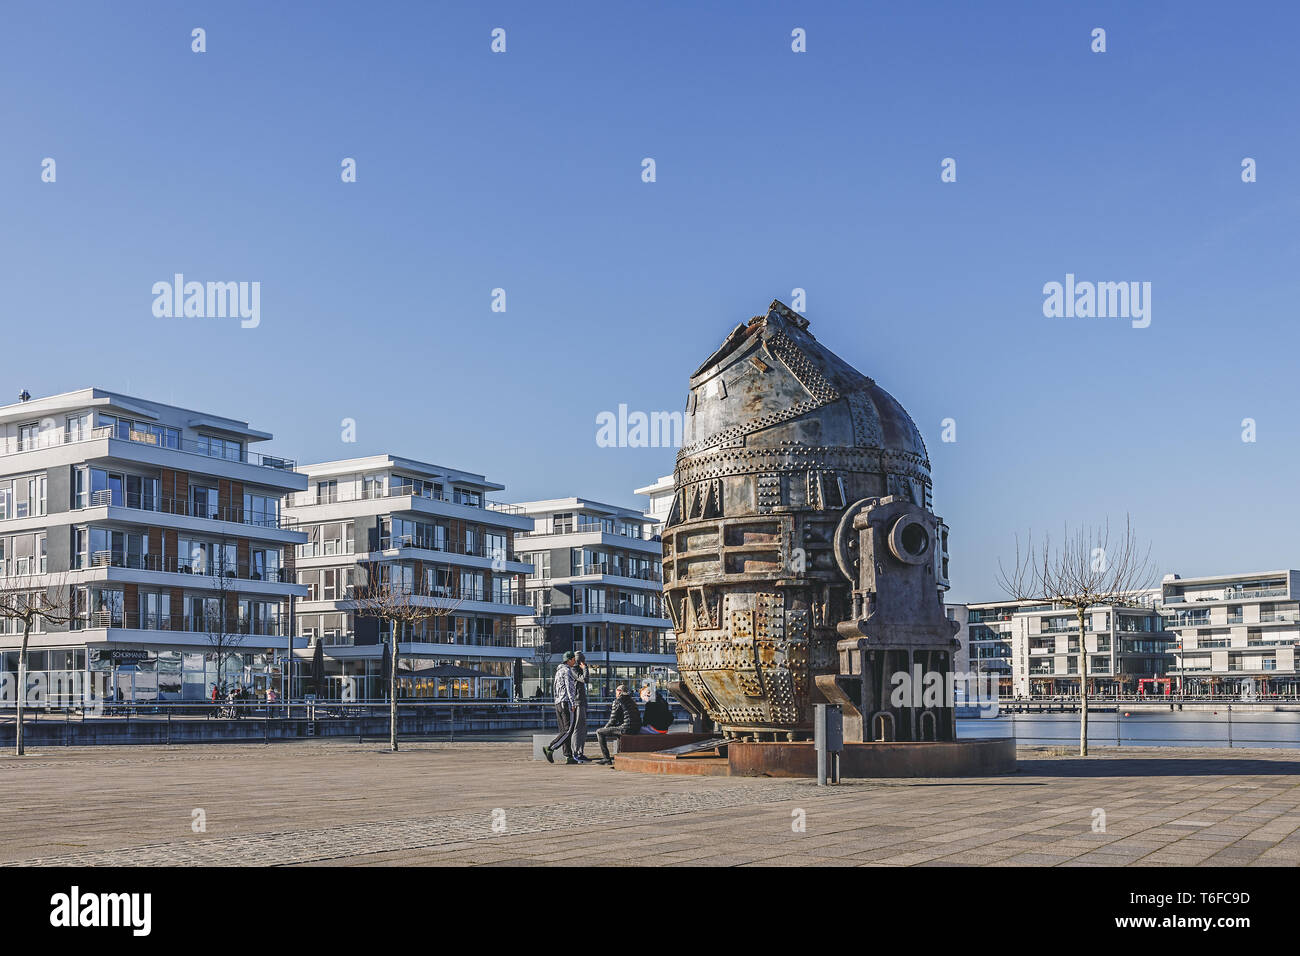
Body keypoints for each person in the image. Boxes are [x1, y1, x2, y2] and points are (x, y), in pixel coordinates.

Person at [542, 652, 579, 764]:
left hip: (558, 703)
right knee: (568, 730)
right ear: (569, 660)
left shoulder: (558, 672)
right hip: (566, 702)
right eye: (573, 659)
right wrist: (573, 703)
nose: (575, 661)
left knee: (563, 730)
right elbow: (570, 688)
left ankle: (568, 756)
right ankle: (550, 748)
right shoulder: (567, 671)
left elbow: (555, 689)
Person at [595, 683, 641, 765]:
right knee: (617, 731)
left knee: (599, 732)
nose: (615, 694)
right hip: (636, 728)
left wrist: (605, 728)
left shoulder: (617, 701)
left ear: (619, 692)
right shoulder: (632, 701)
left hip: (626, 728)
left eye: (616, 692)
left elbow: (612, 720)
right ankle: (619, 755)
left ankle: (606, 758)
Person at [570, 652, 592, 763]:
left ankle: (580, 752)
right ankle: (576, 752)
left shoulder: (578, 669)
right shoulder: (574, 670)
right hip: (578, 702)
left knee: (583, 728)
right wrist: (585, 668)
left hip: (582, 702)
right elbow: (585, 679)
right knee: (578, 728)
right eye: (583, 660)